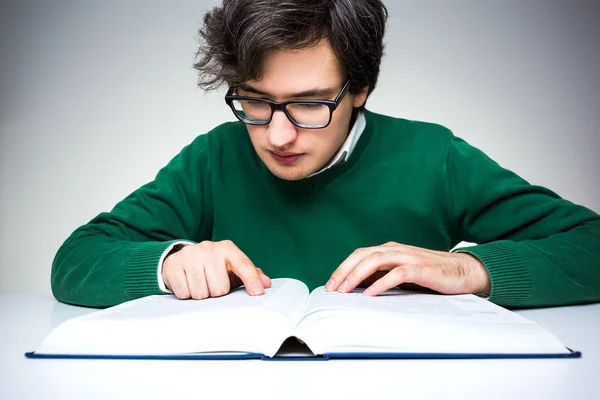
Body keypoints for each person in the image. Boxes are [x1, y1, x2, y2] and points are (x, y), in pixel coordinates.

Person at [51, 0, 600, 309]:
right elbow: (75, 260)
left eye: (310, 104)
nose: (278, 136)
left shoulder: (435, 157)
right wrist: (167, 263)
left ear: (361, 89)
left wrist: (468, 267)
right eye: (254, 101)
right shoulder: (213, 158)